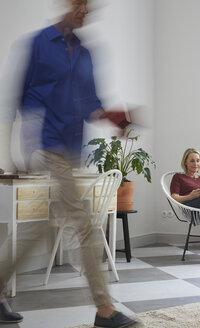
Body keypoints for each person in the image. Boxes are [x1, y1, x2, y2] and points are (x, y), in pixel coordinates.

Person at [0, 1, 138, 327]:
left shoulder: (89, 53)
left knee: (38, 227)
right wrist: (6, 156)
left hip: (72, 151)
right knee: (83, 220)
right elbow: (13, 101)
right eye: (80, 3)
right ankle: (104, 309)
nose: (84, 11)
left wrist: (118, 118)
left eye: (89, 7)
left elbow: (93, 104)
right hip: (42, 146)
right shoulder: (37, 43)